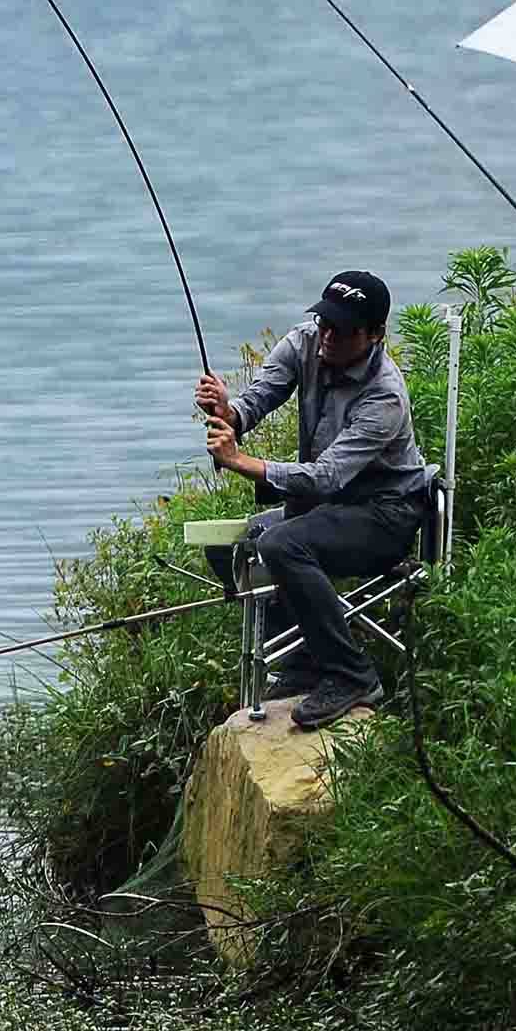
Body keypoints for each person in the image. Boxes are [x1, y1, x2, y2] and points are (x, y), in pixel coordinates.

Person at [193, 270, 430, 729]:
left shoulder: (385, 396)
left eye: (343, 330)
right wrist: (229, 412)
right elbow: (260, 396)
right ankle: (305, 660)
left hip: (384, 514)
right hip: (327, 508)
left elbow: (324, 477)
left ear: (376, 335)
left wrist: (239, 460)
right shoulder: (306, 341)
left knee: (283, 545)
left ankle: (352, 674)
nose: (328, 336)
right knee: (228, 548)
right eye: (325, 322)